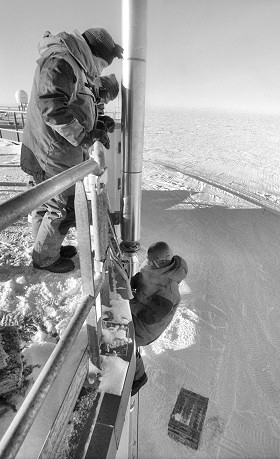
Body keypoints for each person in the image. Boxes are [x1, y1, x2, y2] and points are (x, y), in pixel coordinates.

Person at [20, 28, 123, 273]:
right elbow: (52, 107)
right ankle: (45, 257)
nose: (99, 72)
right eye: (101, 64)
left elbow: (77, 106)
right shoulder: (62, 61)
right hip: (50, 153)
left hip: (52, 150)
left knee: (45, 204)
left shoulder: (75, 65)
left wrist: (97, 124)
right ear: (92, 54)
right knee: (61, 208)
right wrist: (86, 138)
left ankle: (44, 249)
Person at [129, 241, 188, 396]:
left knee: (124, 336)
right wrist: (131, 282)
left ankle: (138, 377)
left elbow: (150, 316)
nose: (148, 263)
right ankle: (132, 362)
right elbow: (143, 278)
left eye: (150, 261)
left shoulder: (168, 290)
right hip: (140, 312)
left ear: (159, 261)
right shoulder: (158, 269)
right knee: (122, 327)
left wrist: (129, 303)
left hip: (147, 328)